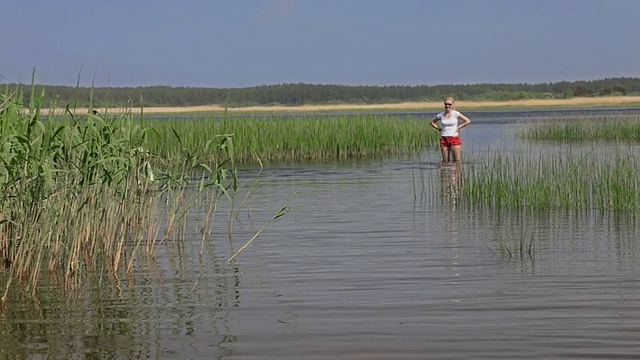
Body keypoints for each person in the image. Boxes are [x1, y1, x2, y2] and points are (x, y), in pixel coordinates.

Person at [429, 97, 471, 163]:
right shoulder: (441, 114)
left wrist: (458, 127)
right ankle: (446, 172)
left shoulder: (456, 113)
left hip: (454, 138)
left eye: (449, 104)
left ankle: (457, 173)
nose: (447, 106)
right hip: (444, 138)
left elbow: (467, 121)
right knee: (445, 160)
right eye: (446, 104)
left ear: (453, 105)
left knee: (457, 160)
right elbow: (432, 122)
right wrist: (439, 128)